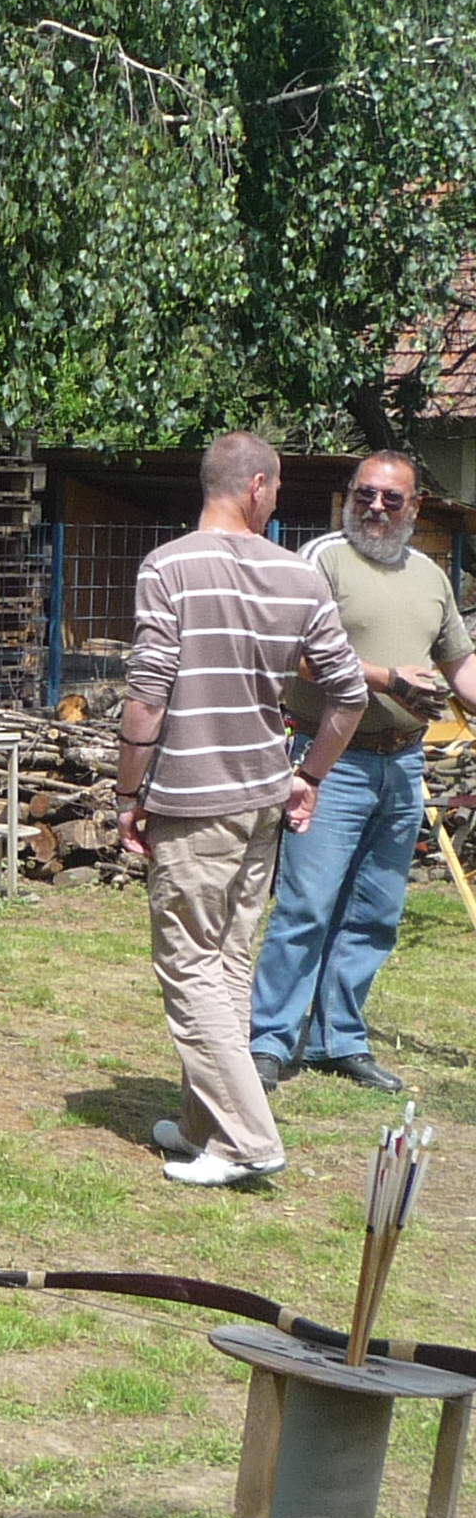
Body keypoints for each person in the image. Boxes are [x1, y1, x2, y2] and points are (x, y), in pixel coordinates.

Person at [117, 432, 367, 1188]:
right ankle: (205, 1125)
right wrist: (309, 775)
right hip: (262, 795)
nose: (277, 498)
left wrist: (127, 795)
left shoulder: (168, 567)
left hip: (195, 798)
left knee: (188, 966)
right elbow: (350, 693)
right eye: (278, 486)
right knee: (226, 962)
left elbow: (146, 696)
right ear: (255, 486)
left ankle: (249, 1141)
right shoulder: (299, 576)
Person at [247, 453, 476, 1095]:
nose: (374, 507)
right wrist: (387, 678)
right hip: (329, 762)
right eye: (363, 495)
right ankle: (269, 1042)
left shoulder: (430, 576)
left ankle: (338, 1040)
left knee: (376, 910)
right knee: (306, 907)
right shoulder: (321, 561)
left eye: (390, 499)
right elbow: (292, 653)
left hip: (402, 760)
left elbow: (459, 666)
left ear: (415, 507)